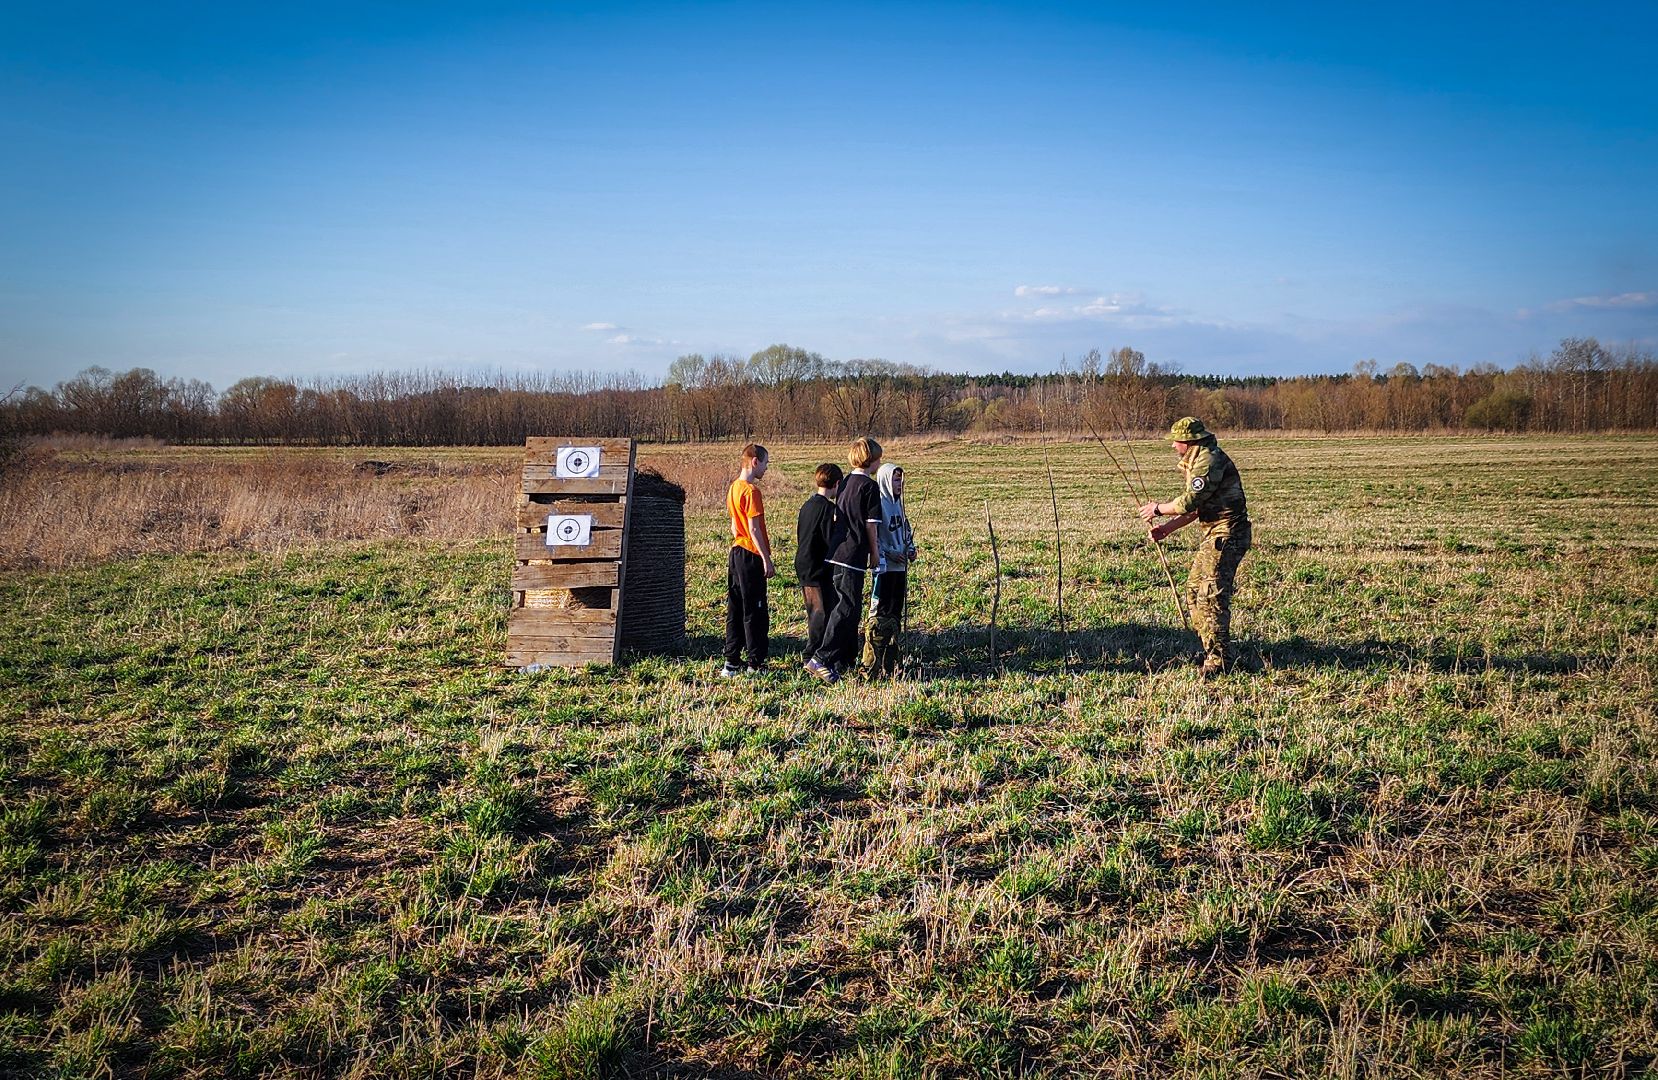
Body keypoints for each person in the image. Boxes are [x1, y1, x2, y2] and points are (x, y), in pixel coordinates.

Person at [1138, 416, 1252, 678]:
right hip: (1214, 534)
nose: (1172, 446)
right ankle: (1209, 648)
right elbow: (1199, 508)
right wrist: (1167, 528)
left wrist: (1157, 509)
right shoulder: (1198, 460)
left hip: (1227, 534)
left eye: (1175, 441)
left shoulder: (1208, 461)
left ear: (1188, 441)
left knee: (1210, 595)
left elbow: (1190, 501)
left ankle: (1219, 660)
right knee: (1193, 591)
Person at [805, 436, 883, 683]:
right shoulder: (869, 488)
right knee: (846, 608)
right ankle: (821, 657)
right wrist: (875, 554)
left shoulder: (846, 481)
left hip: (835, 554)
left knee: (843, 606)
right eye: (879, 458)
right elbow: (871, 527)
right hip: (852, 556)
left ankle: (839, 659)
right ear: (871, 459)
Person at [722, 443, 775, 677]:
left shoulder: (734, 487)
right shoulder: (751, 492)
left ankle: (731, 662)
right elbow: (754, 528)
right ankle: (755, 663)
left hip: (736, 553)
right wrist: (766, 558)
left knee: (735, 607)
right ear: (755, 461)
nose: (766, 468)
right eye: (765, 463)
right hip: (751, 555)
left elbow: (735, 525)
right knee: (755, 610)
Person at [862, 461, 918, 677]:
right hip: (884, 569)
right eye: (896, 479)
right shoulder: (879, 505)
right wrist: (888, 553)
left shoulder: (899, 505)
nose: (899, 483)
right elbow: (873, 538)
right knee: (879, 615)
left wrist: (910, 550)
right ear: (886, 480)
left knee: (895, 613)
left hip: (900, 568)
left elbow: (906, 531)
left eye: (901, 479)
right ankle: (871, 662)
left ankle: (890, 661)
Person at [795, 462, 843, 662]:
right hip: (817, 566)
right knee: (819, 613)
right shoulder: (828, 509)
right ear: (837, 484)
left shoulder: (808, 504)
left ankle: (819, 650)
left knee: (815, 609)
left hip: (803, 562)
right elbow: (829, 538)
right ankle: (811, 655)